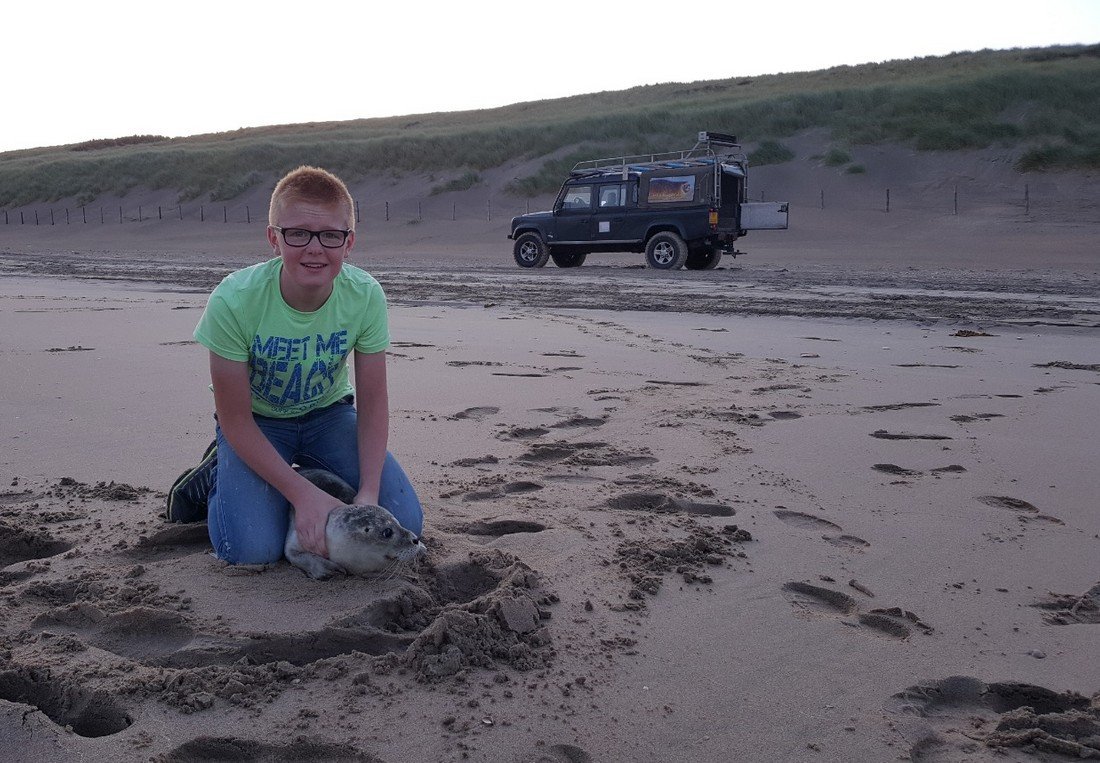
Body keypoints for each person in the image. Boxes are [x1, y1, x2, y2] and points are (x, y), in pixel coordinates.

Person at [182, 165, 422, 565]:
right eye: (297, 234)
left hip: (328, 418)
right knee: (250, 551)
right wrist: (303, 496)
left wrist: (367, 495)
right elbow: (235, 418)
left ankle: (299, 475)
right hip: (257, 424)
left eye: (331, 235)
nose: (315, 248)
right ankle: (216, 472)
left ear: (349, 243)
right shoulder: (233, 300)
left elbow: (375, 404)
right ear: (273, 238)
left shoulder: (364, 296)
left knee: (403, 521)